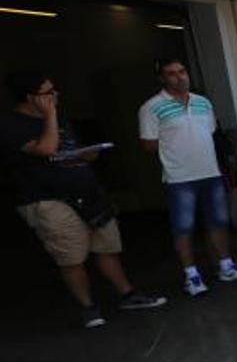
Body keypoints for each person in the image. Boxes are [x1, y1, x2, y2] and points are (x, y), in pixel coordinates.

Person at [1, 71, 166, 327]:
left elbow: (69, 149)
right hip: (48, 199)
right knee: (71, 255)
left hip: (87, 194)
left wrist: (88, 154)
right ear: (30, 98)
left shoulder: (63, 120)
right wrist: (51, 115)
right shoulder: (12, 125)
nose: (55, 96)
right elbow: (46, 149)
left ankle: (128, 294)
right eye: (48, 93)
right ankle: (88, 307)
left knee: (106, 245)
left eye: (54, 90)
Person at [138, 58, 237, 296]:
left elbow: (210, 131)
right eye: (172, 73)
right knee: (184, 228)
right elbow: (148, 144)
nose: (179, 77)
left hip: (210, 172)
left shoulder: (203, 103)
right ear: (162, 78)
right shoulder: (151, 107)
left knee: (219, 222)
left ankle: (225, 266)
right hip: (179, 178)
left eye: (182, 71)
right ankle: (191, 276)